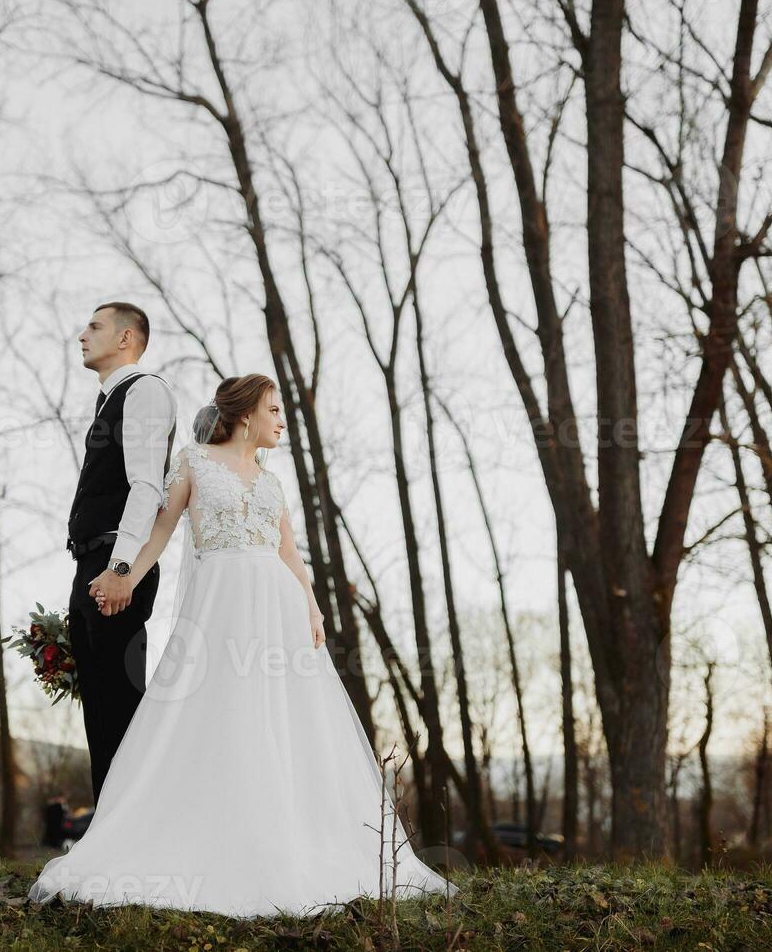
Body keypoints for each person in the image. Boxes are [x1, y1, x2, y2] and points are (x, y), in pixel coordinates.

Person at [33, 373, 456, 918]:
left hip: (278, 610)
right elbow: (159, 533)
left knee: (288, 720)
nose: (281, 420)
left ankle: (292, 837)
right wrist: (124, 577)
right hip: (220, 606)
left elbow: (290, 552)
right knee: (219, 712)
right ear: (246, 413)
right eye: (275, 410)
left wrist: (312, 605)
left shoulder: (271, 481)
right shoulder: (193, 462)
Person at [65, 302, 177, 803]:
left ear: (127, 338)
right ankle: (108, 836)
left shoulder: (144, 390)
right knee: (100, 708)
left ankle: (135, 832)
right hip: (93, 562)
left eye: (95, 326)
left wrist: (121, 569)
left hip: (117, 564)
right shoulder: (108, 399)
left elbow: (147, 486)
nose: (82, 335)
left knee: (120, 706)